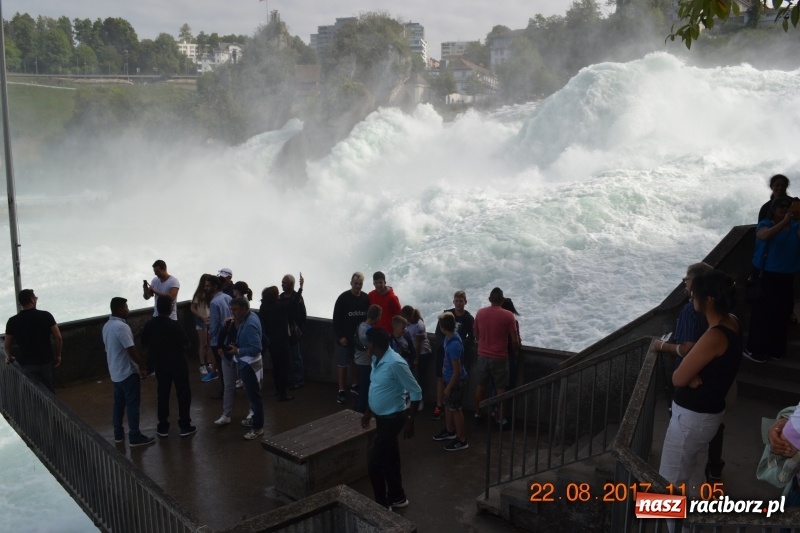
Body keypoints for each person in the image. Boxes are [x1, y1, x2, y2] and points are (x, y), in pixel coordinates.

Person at [658, 270, 741, 514]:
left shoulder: (715, 335)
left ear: (708, 301)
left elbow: (677, 377)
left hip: (691, 420)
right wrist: (693, 366)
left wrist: (688, 369)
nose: (691, 298)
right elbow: (712, 362)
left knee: (669, 484)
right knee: (693, 480)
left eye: (695, 295)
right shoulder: (732, 321)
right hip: (708, 417)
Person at [655, 262, 727, 481]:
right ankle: (715, 468)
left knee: (669, 477)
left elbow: (685, 352)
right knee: (708, 438)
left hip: (690, 409)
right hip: (714, 404)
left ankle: (663, 516)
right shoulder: (729, 321)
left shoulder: (690, 312)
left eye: (686, 280)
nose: (684, 284)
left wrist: (661, 346)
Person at [360, 327, 422, 510]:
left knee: (374, 464)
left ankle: (381, 505)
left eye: (368, 343)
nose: (366, 345)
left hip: (393, 419)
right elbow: (378, 386)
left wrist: (411, 420)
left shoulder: (395, 363)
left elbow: (416, 390)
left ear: (374, 345)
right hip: (381, 417)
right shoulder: (375, 359)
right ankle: (398, 497)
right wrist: (369, 410)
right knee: (390, 459)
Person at [744, 196, 800, 363]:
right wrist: (784, 222)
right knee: (762, 314)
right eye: (782, 207)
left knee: (781, 314)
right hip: (765, 275)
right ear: (774, 209)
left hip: (786, 276)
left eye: (789, 206)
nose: (785, 209)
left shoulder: (796, 226)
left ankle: (776, 350)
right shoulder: (766, 224)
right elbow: (765, 236)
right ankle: (754, 349)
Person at [101, 297, 154, 447]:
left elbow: (121, 343)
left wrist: (137, 334)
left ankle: (118, 435)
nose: (128, 310)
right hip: (127, 372)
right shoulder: (121, 327)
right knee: (132, 405)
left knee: (118, 405)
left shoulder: (108, 326)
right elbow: (131, 350)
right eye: (125, 307)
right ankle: (135, 437)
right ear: (119, 310)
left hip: (115, 373)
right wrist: (143, 366)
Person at [140, 296, 196, 438]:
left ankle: (163, 426)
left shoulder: (150, 325)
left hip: (160, 364)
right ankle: (185, 425)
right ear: (171, 308)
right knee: (183, 393)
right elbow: (186, 344)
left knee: (163, 394)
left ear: (157, 308)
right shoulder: (174, 325)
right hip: (177, 363)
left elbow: (144, 343)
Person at [473, 288, 519, 424]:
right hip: (500, 357)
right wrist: (515, 352)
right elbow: (515, 340)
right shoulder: (508, 315)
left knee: (480, 386)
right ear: (502, 300)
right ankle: (500, 418)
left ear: (489, 299)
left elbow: (475, 334)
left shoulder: (480, 313)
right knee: (501, 389)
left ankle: (477, 413)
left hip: (482, 355)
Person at [4, 289, 63, 392]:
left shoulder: (12, 321)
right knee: (48, 391)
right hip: (46, 360)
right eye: (35, 298)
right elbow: (58, 337)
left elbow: (7, 344)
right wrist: (58, 355)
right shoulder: (46, 316)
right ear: (32, 300)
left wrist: (9, 356)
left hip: (27, 362)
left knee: (31, 392)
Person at [432, 291, 474, 420]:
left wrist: (460, 344)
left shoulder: (468, 318)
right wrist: (444, 345)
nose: (458, 303)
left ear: (465, 302)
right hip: (443, 352)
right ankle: (439, 406)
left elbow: (472, 337)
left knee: (453, 378)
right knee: (440, 377)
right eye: (456, 300)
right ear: (453, 302)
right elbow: (437, 333)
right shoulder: (447, 314)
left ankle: (451, 408)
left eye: (461, 301)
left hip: (456, 354)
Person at [228, 297, 265, 440]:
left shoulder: (250, 324)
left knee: (255, 397)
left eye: (235, 310)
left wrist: (238, 351)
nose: (233, 313)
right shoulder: (250, 317)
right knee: (253, 396)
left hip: (250, 364)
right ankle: (255, 420)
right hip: (248, 363)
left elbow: (256, 348)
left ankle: (258, 428)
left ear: (244, 309)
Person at [432, 312, 469, 451]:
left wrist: (448, 388)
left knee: (456, 410)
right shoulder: (449, 338)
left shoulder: (454, 345)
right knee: (448, 407)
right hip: (449, 379)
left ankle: (462, 440)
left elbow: (457, 371)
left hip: (455, 382)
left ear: (442, 328)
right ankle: (450, 431)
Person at [332, 272, 370, 404]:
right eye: (355, 283)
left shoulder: (365, 298)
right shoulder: (343, 298)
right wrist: (340, 336)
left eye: (360, 284)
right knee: (342, 364)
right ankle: (341, 390)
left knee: (356, 362)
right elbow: (336, 320)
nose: (358, 286)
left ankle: (355, 385)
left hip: (359, 341)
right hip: (345, 339)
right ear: (351, 283)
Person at [205, 276, 233, 417]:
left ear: (215, 287)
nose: (206, 288)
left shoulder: (214, 302)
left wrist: (210, 337)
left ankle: (224, 391)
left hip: (218, 340)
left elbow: (214, 324)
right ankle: (228, 389)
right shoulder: (227, 297)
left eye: (208, 286)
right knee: (228, 366)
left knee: (222, 369)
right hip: (229, 337)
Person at [260, 286, 293, 402]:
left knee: (276, 366)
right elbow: (293, 303)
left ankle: (277, 390)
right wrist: (300, 289)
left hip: (270, 340)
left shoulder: (264, 307)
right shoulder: (279, 307)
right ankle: (282, 393)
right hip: (282, 341)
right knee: (283, 367)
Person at [280, 273, 306, 390]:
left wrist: (300, 329)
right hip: (284, 331)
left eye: (284, 283)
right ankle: (290, 378)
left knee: (296, 357)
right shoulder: (281, 296)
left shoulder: (297, 297)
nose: (282, 285)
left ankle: (298, 380)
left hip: (294, 332)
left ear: (291, 284)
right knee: (287, 356)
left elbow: (301, 314)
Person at [401, 306, 430, 410]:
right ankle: (411, 398)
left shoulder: (419, 325)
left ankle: (420, 401)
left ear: (411, 316)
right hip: (412, 352)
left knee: (421, 377)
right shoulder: (408, 323)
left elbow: (418, 344)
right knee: (411, 377)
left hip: (422, 353)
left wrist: (416, 358)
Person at [354, 304, 382, 413]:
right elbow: (371, 350)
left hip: (358, 359)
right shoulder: (369, 332)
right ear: (376, 317)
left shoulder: (360, 325)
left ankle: (357, 408)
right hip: (366, 363)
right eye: (380, 316)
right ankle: (360, 412)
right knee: (365, 389)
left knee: (362, 387)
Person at [191, 274, 215, 380]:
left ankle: (209, 362)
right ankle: (202, 364)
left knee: (210, 343)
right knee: (203, 343)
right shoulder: (199, 294)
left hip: (210, 319)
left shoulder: (211, 294)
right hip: (202, 320)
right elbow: (192, 308)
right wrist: (201, 316)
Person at [500, 298, 521, 390]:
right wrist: (515, 352)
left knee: (496, 385)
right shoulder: (513, 322)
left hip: (494, 354)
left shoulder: (497, 321)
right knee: (509, 384)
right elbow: (515, 340)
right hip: (508, 355)